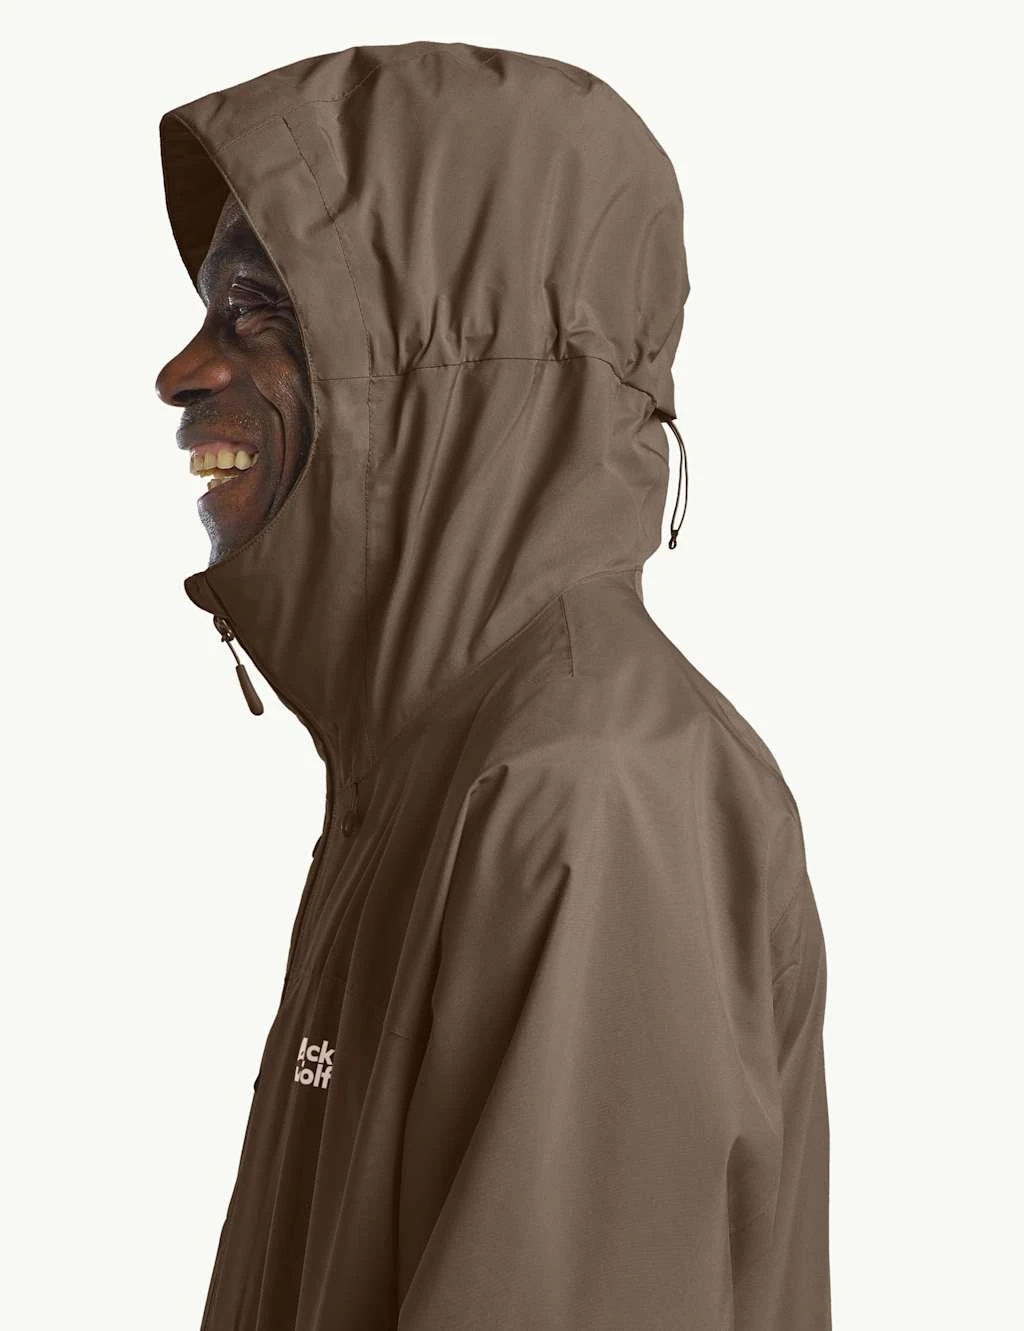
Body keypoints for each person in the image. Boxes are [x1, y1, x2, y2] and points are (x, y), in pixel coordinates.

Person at [155, 40, 831, 1330]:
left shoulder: (587, 793)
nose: (182, 372)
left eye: (258, 313)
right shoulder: (437, 769)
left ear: (442, 371)